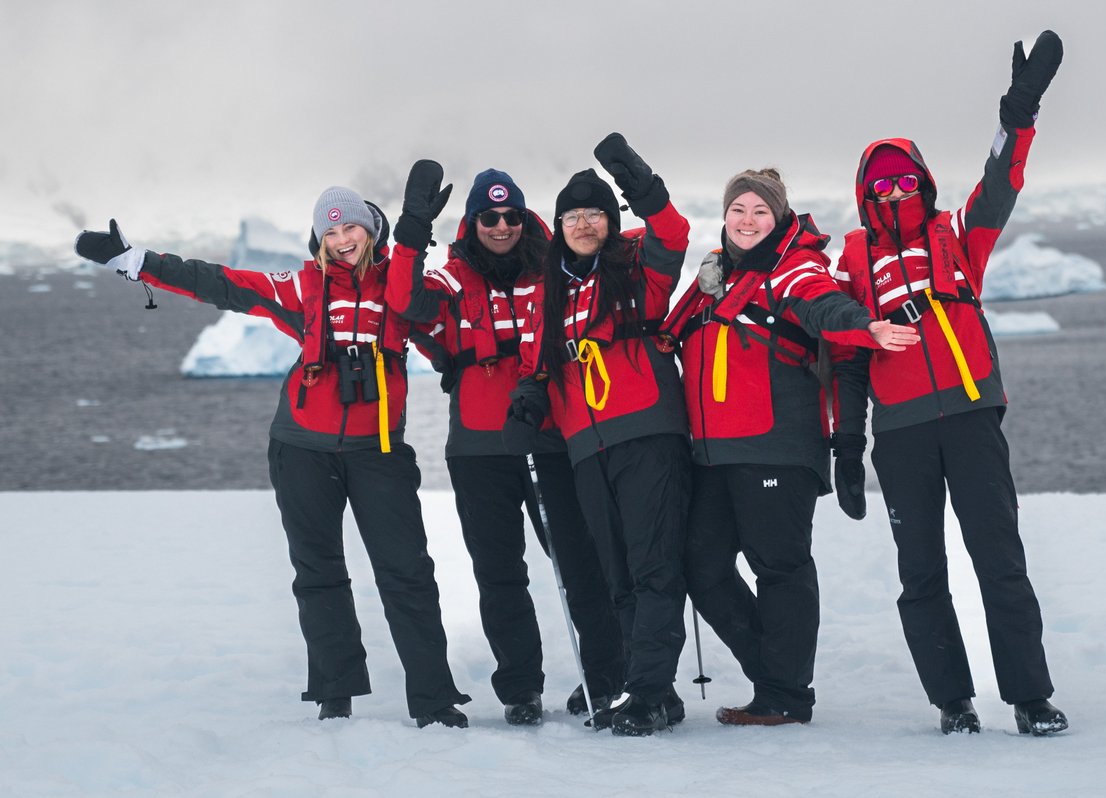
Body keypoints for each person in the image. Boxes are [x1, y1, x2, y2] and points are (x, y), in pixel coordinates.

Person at [73, 186, 472, 728]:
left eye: (350, 228)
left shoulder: (401, 292)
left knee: (408, 574)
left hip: (379, 452)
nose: (341, 240)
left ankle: (433, 700)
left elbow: (452, 327)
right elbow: (221, 282)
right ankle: (336, 693)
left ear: (371, 231)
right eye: (329, 232)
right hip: (301, 449)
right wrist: (137, 260)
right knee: (318, 572)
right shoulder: (303, 288)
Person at [833, 30, 1068, 735]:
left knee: (998, 557)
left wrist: (1017, 117)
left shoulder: (958, 235)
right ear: (865, 195)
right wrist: (847, 443)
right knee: (922, 573)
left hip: (969, 419)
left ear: (923, 183)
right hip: (900, 434)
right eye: (883, 184)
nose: (896, 192)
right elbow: (845, 359)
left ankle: (1030, 698)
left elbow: (1001, 183)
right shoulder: (851, 266)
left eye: (906, 180)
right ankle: (952, 701)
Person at [659, 169, 918, 726]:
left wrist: (864, 326)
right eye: (739, 210)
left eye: (760, 211)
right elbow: (667, 334)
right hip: (711, 452)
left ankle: (785, 692)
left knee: (780, 569)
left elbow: (824, 306)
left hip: (777, 446)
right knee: (701, 567)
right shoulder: (713, 273)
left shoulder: (795, 267)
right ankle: (775, 678)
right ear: (725, 216)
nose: (748, 220)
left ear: (777, 219)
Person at [386, 163, 625, 725]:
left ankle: (605, 677)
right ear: (472, 221)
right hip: (477, 448)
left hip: (548, 441)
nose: (501, 226)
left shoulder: (552, 270)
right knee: (498, 573)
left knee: (577, 563)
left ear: (524, 217)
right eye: (489, 217)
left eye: (510, 215)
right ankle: (521, 687)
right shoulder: (451, 277)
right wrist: (413, 229)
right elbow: (402, 301)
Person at [503, 133, 692, 736]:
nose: (584, 223)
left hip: (647, 436)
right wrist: (529, 399)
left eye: (595, 214)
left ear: (612, 221)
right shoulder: (551, 294)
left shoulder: (638, 269)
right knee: (617, 575)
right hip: (586, 447)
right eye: (573, 215)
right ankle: (649, 688)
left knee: (653, 566)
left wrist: (635, 179)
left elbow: (673, 231)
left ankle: (649, 693)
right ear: (559, 225)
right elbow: (536, 360)